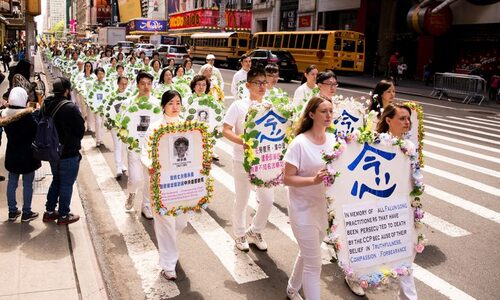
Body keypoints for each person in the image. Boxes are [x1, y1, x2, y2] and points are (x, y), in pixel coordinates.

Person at [283, 96, 335, 300]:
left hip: (323, 209)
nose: (328, 115)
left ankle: (292, 288)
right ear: (312, 114)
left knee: (307, 253)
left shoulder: (333, 140)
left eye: (330, 111)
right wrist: (313, 180)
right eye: (323, 111)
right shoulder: (299, 144)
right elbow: (287, 178)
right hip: (302, 209)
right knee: (315, 264)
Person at [223, 68, 274, 252]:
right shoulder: (238, 106)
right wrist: (242, 141)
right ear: (248, 85)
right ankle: (239, 234)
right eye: (257, 83)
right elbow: (226, 129)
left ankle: (256, 230)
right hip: (242, 159)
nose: (262, 86)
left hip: (264, 161)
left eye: (264, 82)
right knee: (243, 199)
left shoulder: (270, 105)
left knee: (268, 199)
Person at [141, 90, 187, 281]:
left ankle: (169, 247)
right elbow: (145, 152)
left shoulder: (188, 126)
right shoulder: (155, 128)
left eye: (178, 103)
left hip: (182, 184)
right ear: (163, 106)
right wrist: (151, 166)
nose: (175, 107)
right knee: (166, 223)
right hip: (161, 184)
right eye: (171, 103)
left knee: (180, 223)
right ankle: (168, 264)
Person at [375, 103, 418, 300]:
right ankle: (354, 277)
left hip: (405, 209)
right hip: (381, 212)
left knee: (406, 256)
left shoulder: (409, 147)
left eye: (408, 118)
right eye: (402, 118)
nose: (407, 122)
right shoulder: (376, 145)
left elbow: (414, 178)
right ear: (388, 120)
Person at [42, 77, 85, 225]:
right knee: (66, 184)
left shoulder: (46, 104)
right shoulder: (70, 107)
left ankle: (49, 212)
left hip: (52, 152)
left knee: (56, 180)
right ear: (67, 90)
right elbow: (80, 130)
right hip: (69, 152)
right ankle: (64, 215)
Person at [0, 87, 41, 222]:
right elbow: (37, 131)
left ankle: (12, 212)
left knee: (12, 182)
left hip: (12, 154)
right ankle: (26, 212)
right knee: (28, 184)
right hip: (28, 156)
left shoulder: (6, 115)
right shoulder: (28, 117)